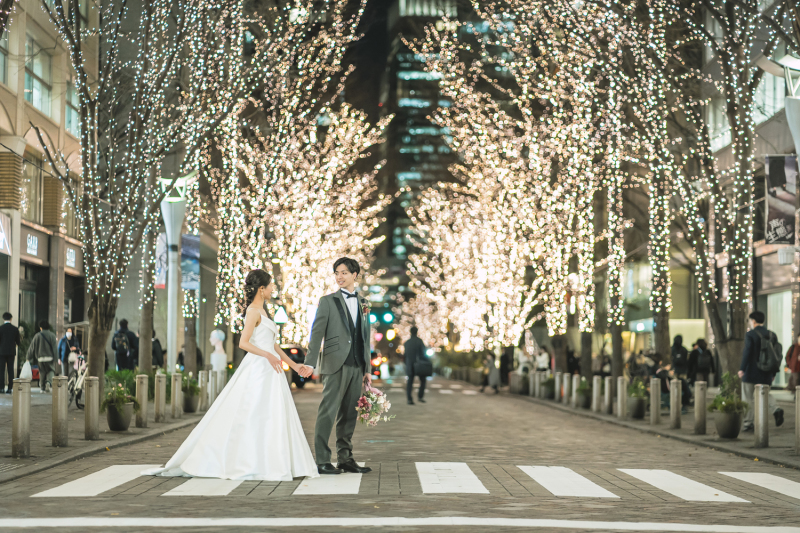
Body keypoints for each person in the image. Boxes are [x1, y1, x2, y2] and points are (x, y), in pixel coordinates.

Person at [143, 269, 317, 480]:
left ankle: (271, 459)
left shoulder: (264, 312)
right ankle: (248, 460)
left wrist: (295, 365)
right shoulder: (253, 311)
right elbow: (244, 343)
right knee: (253, 413)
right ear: (261, 289)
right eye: (270, 286)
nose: (273, 289)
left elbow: (274, 346)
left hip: (271, 369)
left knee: (272, 414)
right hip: (259, 368)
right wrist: (267, 356)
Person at [300, 257, 372, 476]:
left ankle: (345, 458)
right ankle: (322, 459)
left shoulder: (365, 303)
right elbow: (316, 333)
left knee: (350, 413)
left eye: (344, 273)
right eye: (337, 273)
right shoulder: (327, 301)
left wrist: (367, 368)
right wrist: (310, 363)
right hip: (334, 363)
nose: (340, 277)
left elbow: (366, 337)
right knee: (328, 412)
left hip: (357, 364)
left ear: (354, 275)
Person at [739, 311, 784, 432]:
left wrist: (742, 369)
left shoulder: (750, 334)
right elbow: (775, 356)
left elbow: (747, 352)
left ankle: (748, 423)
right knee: (765, 393)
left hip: (751, 371)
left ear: (753, 321)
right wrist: (773, 373)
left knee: (747, 397)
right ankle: (776, 410)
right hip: (767, 372)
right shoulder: (772, 334)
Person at [26, 321, 57, 392]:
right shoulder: (52, 335)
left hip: (40, 358)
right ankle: (48, 382)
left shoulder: (37, 335)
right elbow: (55, 348)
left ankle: (42, 388)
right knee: (51, 370)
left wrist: (28, 357)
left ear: (40, 328)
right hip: (50, 358)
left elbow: (32, 347)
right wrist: (56, 358)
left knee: (42, 372)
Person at [404, 326, 427, 405]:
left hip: (410, 365)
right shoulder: (419, 341)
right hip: (419, 364)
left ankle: (409, 399)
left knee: (410, 382)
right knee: (423, 380)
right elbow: (423, 353)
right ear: (417, 332)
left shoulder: (407, 342)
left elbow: (405, 355)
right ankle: (420, 396)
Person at [0, 312, 21, 394]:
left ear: (3, 319)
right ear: (11, 319)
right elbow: (18, 342)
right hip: (11, 352)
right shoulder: (15, 329)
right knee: (10, 370)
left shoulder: (0, 328)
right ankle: (10, 388)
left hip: (1, 352)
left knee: (1, 370)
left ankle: (1, 388)